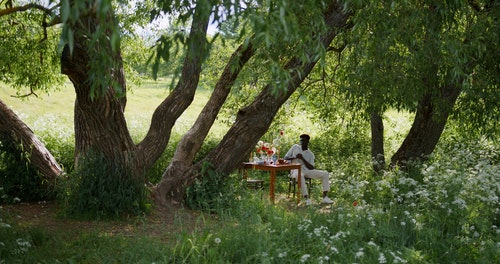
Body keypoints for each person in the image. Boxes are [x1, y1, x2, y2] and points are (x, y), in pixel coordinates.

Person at [283, 134, 334, 205]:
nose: (301, 142)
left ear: (307, 142)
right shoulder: (295, 147)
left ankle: (325, 197)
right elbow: (285, 157)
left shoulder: (310, 154)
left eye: (303, 140)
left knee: (325, 173)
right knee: (300, 175)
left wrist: (302, 158)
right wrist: (295, 157)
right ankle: (306, 198)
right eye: (300, 140)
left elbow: (311, 167)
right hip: (295, 170)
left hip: (307, 170)